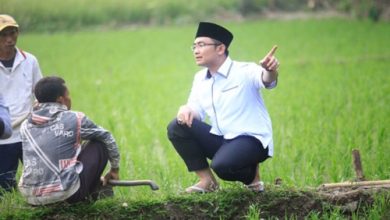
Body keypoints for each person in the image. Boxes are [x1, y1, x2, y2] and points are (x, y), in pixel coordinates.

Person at [167, 22, 279, 193]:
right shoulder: (200, 78)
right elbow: (195, 108)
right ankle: (207, 181)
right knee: (177, 126)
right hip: (223, 139)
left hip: (252, 140)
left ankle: (252, 177)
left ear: (220, 49)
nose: (196, 50)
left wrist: (270, 70)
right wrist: (186, 109)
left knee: (222, 166)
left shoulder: (245, 70)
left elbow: (267, 79)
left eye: (202, 45)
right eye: (194, 46)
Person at [18, 76, 121, 205]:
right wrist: (114, 169)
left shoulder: (25, 125)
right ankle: (92, 192)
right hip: (65, 193)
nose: (70, 98)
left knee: (72, 148)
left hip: (30, 196)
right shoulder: (75, 118)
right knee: (100, 143)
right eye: (68, 95)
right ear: (61, 99)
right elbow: (107, 136)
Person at [0, 14, 42, 193]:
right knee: (4, 187)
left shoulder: (29, 61)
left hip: (29, 134)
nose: (10, 39)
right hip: (3, 137)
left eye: (13, 32)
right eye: (4, 35)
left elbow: (40, 93)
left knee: (38, 182)